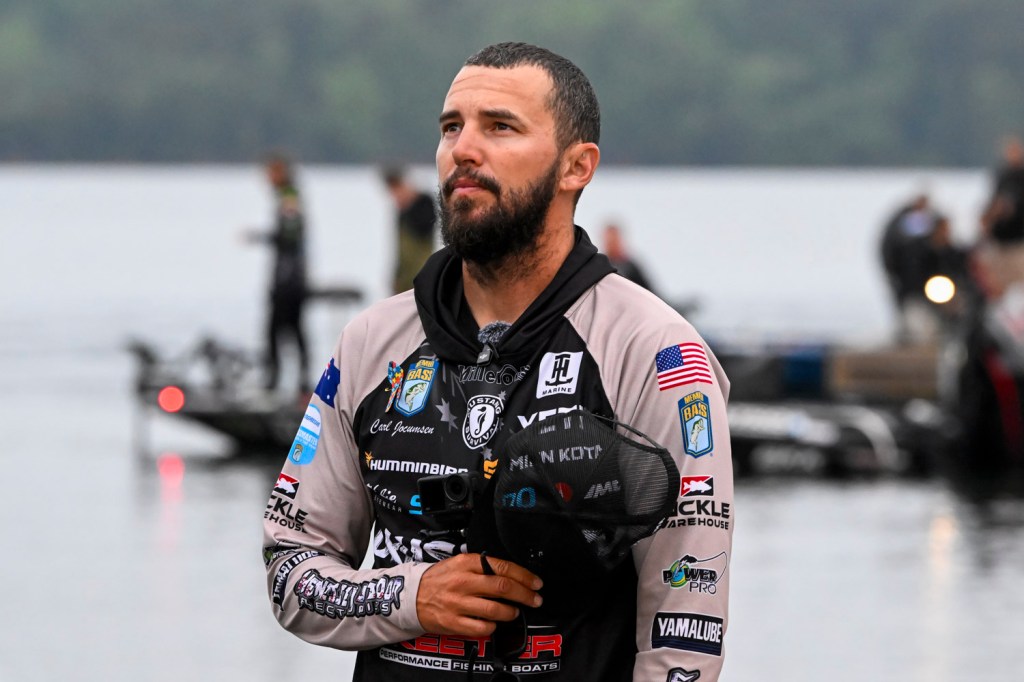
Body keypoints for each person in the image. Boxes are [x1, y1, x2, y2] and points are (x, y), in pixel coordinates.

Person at [263, 42, 733, 681]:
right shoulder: (371, 341)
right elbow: (289, 569)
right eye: (450, 127)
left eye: (500, 127)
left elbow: (685, 635)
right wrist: (411, 597)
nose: (463, 148)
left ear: (576, 167)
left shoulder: (654, 351)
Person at [245, 153, 310, 392]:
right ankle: (298, 380)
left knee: (277, 329)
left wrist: (261, 237)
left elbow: (290, 235)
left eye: (269, 173)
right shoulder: (287, 196)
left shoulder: (289, 196)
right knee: (293, 328)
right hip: (292, 276)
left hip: (288, 278)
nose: (266, 179)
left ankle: (277, 381)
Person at [878, 193, 947, 343]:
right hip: (910, 289)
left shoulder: (939, 249)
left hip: (925, 290)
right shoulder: (909, 227)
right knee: (917, 325)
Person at [384, 166, 438, 294]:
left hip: (420, 277)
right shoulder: (402, 212)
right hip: (404, 279)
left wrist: (410, 205)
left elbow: (425, 228)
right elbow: (401, 251)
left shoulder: (423, 203)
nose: (395, 197)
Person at [602, 221, 655, 293]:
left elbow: (648, 291)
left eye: (614, 241)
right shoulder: (601, 266)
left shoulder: (630, 267)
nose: (611, 245)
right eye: (609, 241)